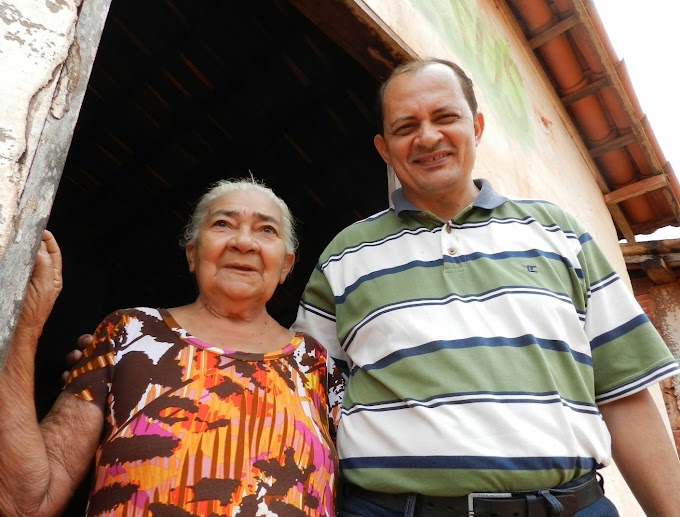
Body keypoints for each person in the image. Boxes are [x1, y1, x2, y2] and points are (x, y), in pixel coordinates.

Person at [293, 59, 680, 516]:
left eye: (445, 117)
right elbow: (305, 405)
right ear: (384, 148)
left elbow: (624, 391)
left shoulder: (559, 233)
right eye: (405, 126)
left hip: (568, 507)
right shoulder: (344, 256)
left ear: (476, 126)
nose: (428, 137)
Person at [0, 179, 342, 517]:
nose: (244, 242)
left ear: (286, 265)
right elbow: (26, 503)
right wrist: (26, 326)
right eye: (223, 224)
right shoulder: (129, 335)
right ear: (193, 253)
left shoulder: (318, 367)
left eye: (266, 230)